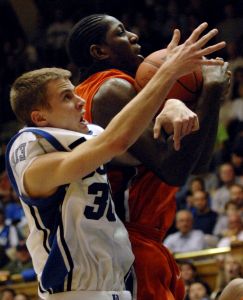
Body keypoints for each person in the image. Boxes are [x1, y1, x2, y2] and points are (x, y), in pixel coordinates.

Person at [5, 24, 226, 300]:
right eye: (66, 97)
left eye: (75, 93)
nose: (80, 102)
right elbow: (116, 141)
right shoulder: (29, 151)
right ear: (39, 118)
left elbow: (136, 141)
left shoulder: (89, 136)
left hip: (115, 285)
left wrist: (171, 105)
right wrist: (169, 73)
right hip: (74, 292)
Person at [67, 14, 229, 300]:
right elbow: (173, 170)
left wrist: (207, 100)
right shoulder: (112, 89)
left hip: (138, 240)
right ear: (99, 51)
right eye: (121, 32)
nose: (133, 36)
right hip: (127, 241)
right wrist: (211, 92)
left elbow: (197, 164)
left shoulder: (100, 91)